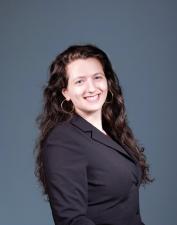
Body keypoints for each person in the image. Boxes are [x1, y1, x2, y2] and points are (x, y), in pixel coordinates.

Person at [35, 44, 153, 225]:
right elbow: (71, 220)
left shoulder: (112, 132)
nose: (91, 88)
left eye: (97, 77)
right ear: (65, 92)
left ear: (107, 81)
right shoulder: (63, 140)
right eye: (80, 81)